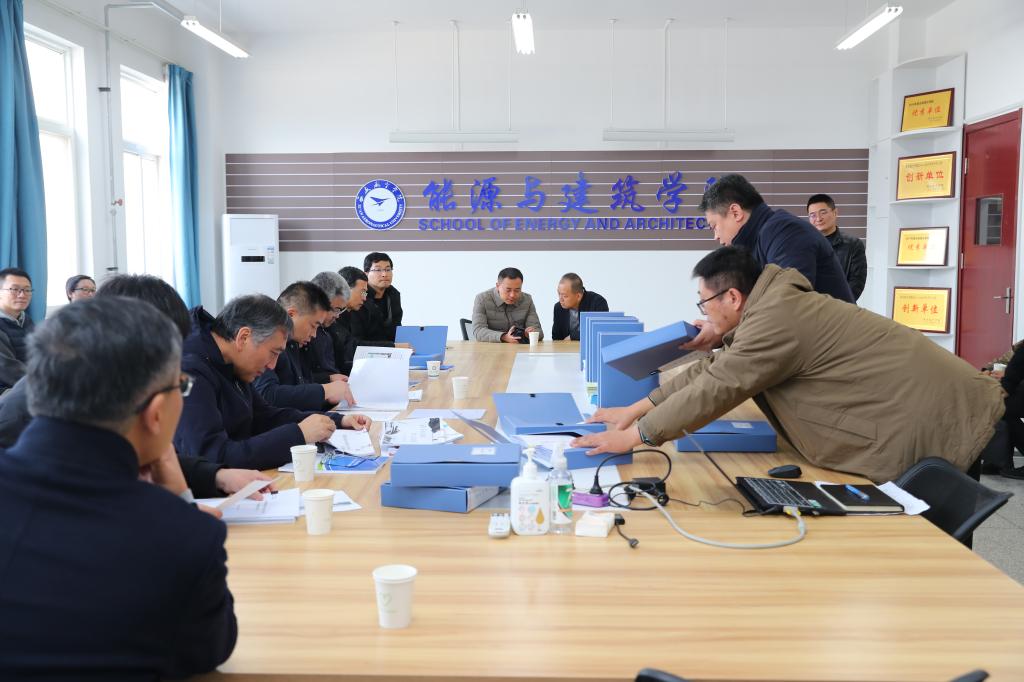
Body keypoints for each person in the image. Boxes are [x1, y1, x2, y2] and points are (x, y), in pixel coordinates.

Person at [572, 247, 1005, 484]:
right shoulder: (772, 306)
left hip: (944, 417)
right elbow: (713, 370)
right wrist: (636, 409)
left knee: (936, 553)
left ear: (733, 297)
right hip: (931, 408)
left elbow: (718, 388)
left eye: (704, 302)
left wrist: (635, 437)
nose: (702, 312)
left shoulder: (776, 321)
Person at [0, 297, 237, 679]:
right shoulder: (183, 538)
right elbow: (210, 648)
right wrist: (179, 499)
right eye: (181, 386)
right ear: (155, 413)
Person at [0, 273, 274, 501]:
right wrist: (181, 512)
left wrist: (216, 476)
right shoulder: (50, 406)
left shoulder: (106, 383)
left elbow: (136, 458)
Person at [174, 294, 371, 470]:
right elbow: (213, 457)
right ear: (244, 337)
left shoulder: (232, 362)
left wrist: (335, 421)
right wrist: (299, 435)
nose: (272, 365)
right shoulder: (190, 371)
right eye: (273, 353)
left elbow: (266, 416)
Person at [685, 175, 854, 353]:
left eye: (714, 226)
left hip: (840, 353)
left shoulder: (785, 232)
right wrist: (720, 328)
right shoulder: (760, 240)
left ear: (735, 212)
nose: (716, 236)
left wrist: (723, 332)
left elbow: (786, 307)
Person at [253, 281, 354, 411]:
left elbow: (301, 387)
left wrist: (332, 408)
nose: (314, 335)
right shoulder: (265, 339)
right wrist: (324, 391)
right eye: (313, 326)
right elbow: (266, 395)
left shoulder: (296, 343)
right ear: (291, 314)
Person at [807, 193, 867, 301]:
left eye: (823, 213)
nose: (818, 219)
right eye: (813, 215)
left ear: (835, 213)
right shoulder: (804, 246)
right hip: (811, 307)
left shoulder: (853, 245)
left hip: (840, 307)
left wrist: (836, 306)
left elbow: (857, 283)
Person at [471, 267, 543, 343]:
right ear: (498, 286)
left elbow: (539, 332)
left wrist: (530, 334)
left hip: (518, 347)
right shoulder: (482, 299)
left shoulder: (527, 300)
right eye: (508, 290)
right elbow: (478, 331)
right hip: (491, 347)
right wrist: (503, 336)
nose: (512, 295)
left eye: (517, 290)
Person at [306, 270, 351, 383]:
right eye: (336, 309)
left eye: (341, 310)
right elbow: (299, 378)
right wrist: (328, 378)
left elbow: (338, 365)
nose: (337, 316)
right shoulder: (303, 332)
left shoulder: (329, 328)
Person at [0, 267, 35, 392]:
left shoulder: (26, 320)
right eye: (14, 289)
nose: (22, 295)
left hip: (29, 384)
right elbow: (7, 369)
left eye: (27, 290)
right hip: (6, 390)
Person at [551, 273, 609, 341]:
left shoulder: (598, 302)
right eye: (559, 294)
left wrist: (573, 336)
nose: (560, 299)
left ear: (578, 296)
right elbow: (556, 338)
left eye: (565, 296)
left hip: (590, 346)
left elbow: (600, 331)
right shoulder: (559, 308)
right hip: (567, 347)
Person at [363, 252, 403, 341]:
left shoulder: (394, 294)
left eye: (388, 269)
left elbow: (397, 328)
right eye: (378, 270)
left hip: (391, 347)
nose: (384, 274)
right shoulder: (361, 296)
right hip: (364, 347)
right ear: (366, 273)